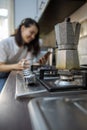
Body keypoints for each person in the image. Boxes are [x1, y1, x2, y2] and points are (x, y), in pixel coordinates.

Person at [0, 18, 41, 92]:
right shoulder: (5, 44)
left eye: (35, 35)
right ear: (23, 28)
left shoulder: (28, 46)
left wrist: (38, 64)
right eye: (31, 32)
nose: (33, 37)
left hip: (12, 74)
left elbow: (28, 63)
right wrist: (16, 66)